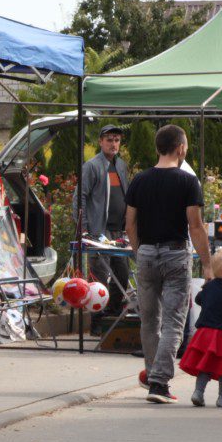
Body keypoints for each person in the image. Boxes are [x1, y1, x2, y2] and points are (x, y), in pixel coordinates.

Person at [125, 124, 213, 404]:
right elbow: (195, 226)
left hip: (147, 254)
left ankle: (152, 375)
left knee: (149, 320)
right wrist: (208, 264)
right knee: (175, 320)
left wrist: (141, 251)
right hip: (175, 254)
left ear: (157, 148)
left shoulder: (139, 180)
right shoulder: (188, 182)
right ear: (181, 149)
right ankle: (159, 383)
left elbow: (130, 223)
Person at [73, 124, 130, 317]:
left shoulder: (120, 165)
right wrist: (84, 229)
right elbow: (79, 197)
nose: (114, 144)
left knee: (121, 275)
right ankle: (97, 321)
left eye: (117, 140)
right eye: (109, 140)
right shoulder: (91, 166)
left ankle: (112, 316)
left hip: (118, 232)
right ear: (100, 142)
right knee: (98, 281)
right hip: (99, 232)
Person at [180, 247, 222, 407]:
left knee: (206, 365)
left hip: (204, 332)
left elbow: (198, 299)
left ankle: (198, 392)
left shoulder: (210, 286)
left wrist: (208, 288)